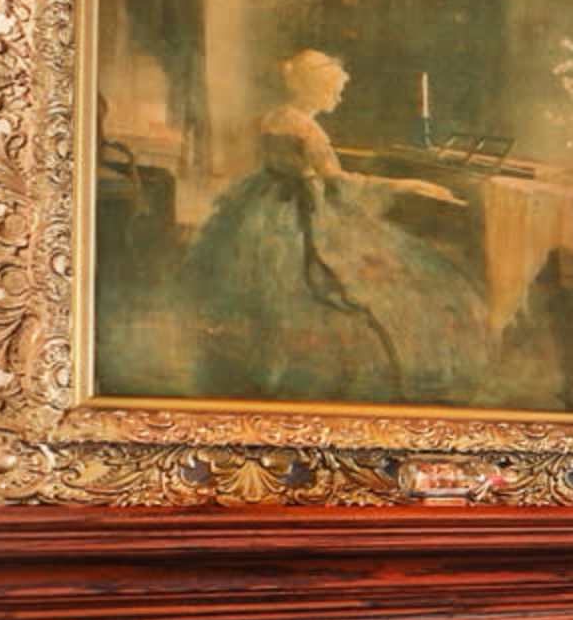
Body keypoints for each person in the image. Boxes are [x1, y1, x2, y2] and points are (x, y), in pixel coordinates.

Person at [179, 49, 490, 404]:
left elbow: (288, 166)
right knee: (394, 275)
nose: (339, 98)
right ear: (315, 88)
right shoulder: (309, 129)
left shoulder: (274, 117)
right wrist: (408, 185)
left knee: (268, 290)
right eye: (334, 90)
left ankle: (264, 361)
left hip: (263, 201)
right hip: (302, 212)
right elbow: (340, 183)